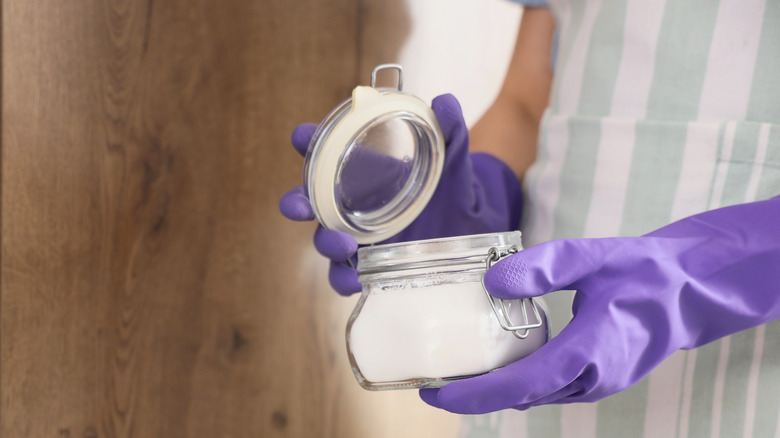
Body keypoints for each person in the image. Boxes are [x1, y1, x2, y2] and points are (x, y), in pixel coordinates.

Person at [280, 0, 780, 436]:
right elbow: (527, 98)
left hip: (745, 388)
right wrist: (471, 204)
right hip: (527, 359)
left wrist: (709, 271)